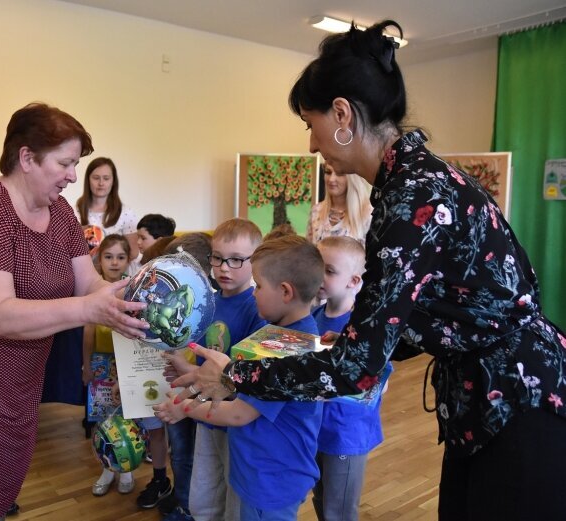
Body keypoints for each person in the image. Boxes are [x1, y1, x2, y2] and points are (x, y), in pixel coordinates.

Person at [172, 20, 566, 521]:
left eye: (309, 125)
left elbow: (357, 370)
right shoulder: (411, 183)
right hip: (486, 398)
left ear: (341, 114)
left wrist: (237, 373)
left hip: (517, 401)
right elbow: (407, 324)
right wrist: (345, 343)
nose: (313, 146)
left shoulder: (415, 196)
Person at [0, 102, 148, 521]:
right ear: (26, 158)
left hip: (15, 373)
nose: (74, 175)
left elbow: (86, 281)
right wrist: (90, 308)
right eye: (65, 163)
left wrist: (120, 296)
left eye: (76, 164)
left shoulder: (58, 214)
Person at [156, 235, 325, 521]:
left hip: (271, 479)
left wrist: (182, 408)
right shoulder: (274, 336)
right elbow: (235, 380)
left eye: (259, 285)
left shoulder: (291, 347)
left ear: (285, 292)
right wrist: (195, 375)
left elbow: (238, 414)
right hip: (258, 469)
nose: (254, 292)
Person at [166, 218, 267, 521]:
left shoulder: (257, 307)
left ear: (256, 261)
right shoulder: (208, 303)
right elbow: (200, 360)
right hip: (206, 417)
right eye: (218, 258)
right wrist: (182, 368)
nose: (224, 267)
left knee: (232, 501)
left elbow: (250, 375)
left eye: (236, 260)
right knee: (204, 496)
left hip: (236, 423)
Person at [310, 237, 388, 521]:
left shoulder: (364, 329)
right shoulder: (315, 316)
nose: (319, 275)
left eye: (329, 271)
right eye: (317, 266)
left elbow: (379, 382)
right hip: (317, 428)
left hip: (346, 435)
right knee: (321, 498)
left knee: (339, 510)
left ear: (354, 281)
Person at [156, 232, 214, 521]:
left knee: (196, 456)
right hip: (177, 391)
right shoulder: (171, 304)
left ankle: (189, 507)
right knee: (179, 452)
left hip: (202, 396)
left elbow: (220, 375)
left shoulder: (215, 309)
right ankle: (181, 500)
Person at [82, 234, 138, 496]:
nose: (114, 263)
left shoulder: (134, 289)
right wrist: (87, 365)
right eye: (108, 256)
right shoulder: (93, 289)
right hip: (102, 363)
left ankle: (126, 470)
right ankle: (106, 469)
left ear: (129, 260)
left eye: (120, 257)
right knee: (103, 420)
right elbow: (88, 332)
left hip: (127, 364)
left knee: (127, 417)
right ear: (99, 258)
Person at [75, 157, 139, 258]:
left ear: (113, 181)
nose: (101, 183)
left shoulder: (126, 213)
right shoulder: (73, 212)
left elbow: (133, 253)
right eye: (96, 178)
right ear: (88, 180)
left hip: (116, 273)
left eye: (106, 178)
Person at [307, 162, 372, 245]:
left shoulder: (368, 214)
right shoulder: (316, 211)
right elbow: (309, 253)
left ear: (352, 178)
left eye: (339, 174)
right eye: (328, 172)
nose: (331, 179)